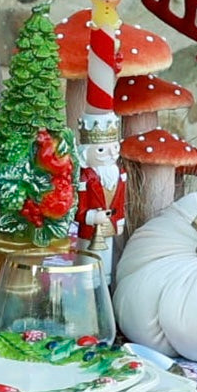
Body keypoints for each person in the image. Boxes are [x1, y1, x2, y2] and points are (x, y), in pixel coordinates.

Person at [76, 112, 125, 282]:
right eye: (101, 150)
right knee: (88, 263)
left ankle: (105, 286)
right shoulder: (85, 178)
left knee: (106, 261)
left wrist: (119, 220)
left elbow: (120, 201)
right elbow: (78, 208)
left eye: (115, 147)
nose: (111, 154)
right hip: (90, 230)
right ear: (85, 153)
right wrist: (92, 216)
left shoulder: (119, 174)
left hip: (109, 227)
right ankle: (87, 290)